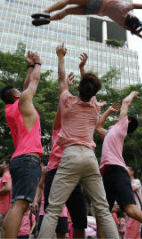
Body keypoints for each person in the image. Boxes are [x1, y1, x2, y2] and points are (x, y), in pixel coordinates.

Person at [38, 43, 119, 239]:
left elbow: (61, 80)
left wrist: (60, 57)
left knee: (53, 210)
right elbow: (89, 90)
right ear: (93, 93)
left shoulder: (66, 101)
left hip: (71, 155)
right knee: (103, 210)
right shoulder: (94, 107)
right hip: (90, 158)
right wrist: (83, 69)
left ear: (79, 88)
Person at [96, 91, 142, 239]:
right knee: (101, 212)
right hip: (106, 173)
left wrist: (131, 94)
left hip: (117, 171)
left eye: (123, 118)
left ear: (126, 122)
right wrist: (109, 110)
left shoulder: (121, 128)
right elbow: (98, 127)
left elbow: (125, 103)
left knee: (131, 210)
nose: (119, 118)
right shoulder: (111, 131)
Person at [33, 66, 88, 239]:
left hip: (72, 171)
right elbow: (62, 100)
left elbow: (88, 97)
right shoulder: (59, 127)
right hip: (55, 170)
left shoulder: (78, 131)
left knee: (80, 219)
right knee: (50, 214)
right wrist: (67, 88)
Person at [0, 51, 43, 238]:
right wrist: (38, 63)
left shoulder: (10, 109)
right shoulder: (24, 102)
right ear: (17, 94)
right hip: (28, 159)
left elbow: (26, 85)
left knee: (15, 205)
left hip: (18, 160)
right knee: (21, 205)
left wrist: (30, 67)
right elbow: (33, 83)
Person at [31, 0, 142, 44]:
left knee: (68, 0)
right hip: (95, 10)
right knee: (68, 11)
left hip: (97, 0)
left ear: (133, 16)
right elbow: (134, 32)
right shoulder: (122, 22)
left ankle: (46, 12)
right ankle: (48, 20)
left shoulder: (126, 8)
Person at [123, 166, 142, 239]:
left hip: (134, 213)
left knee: (128, 236)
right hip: (131, 214)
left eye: (126, 170)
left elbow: (132, 188)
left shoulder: (136, 181)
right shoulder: (126, 183)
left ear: (132, 172)